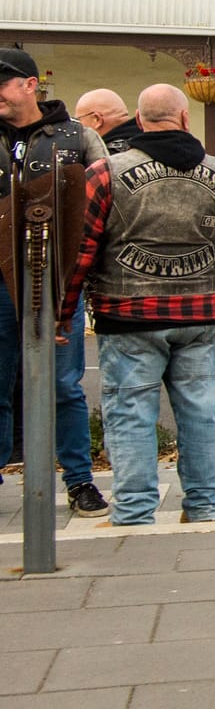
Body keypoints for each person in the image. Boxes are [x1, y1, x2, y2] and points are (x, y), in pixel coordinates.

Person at [61, 84, 215, 525]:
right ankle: (204, 505)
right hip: (197, 314)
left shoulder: (104, 173)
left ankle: (135, 511)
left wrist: (62, 315)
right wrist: (205, 248)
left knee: (131, 413)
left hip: (126, 315)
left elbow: (80, 252)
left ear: (139, 118)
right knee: (200, 411)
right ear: (185, 118)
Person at [0, 47, 109, 515]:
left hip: (59, 280)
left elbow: (107, 203)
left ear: (29, 85)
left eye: (2, 83)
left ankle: (79, 481)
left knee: (64, 386)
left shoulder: (77, 137)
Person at [74, 88, 141, 154]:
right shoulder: (146, 144)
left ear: (97, 119)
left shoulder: (102, 158)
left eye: (78, 120)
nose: (77, 127)